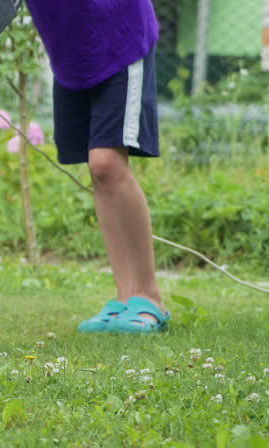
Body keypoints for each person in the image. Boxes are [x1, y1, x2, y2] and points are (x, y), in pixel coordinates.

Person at [24, 0, 170, 333]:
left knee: (106, 162)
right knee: (98, 172)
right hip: (69, 51)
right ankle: (124, 299)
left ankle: (149, 296)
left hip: (118, 34)